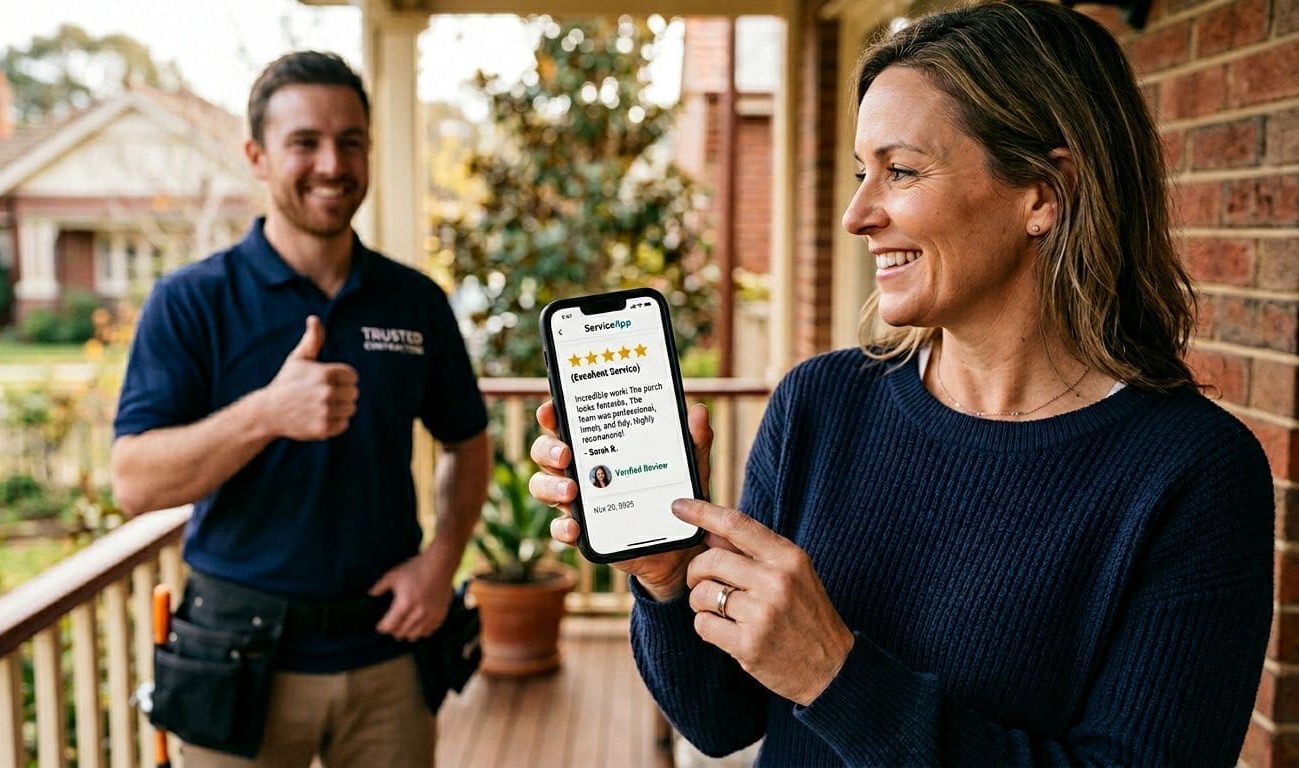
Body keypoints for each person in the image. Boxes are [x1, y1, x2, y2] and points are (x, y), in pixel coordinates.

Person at [529, 1, 1273, 764]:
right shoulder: (820, 405)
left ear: (1043, 195)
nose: (858, 214)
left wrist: (837, 675)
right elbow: (723, 720)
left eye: (901, 171)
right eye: (861, 173)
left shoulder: (1195, 475)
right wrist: (664, 578)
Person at [111, 50, 491, 767]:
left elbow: (467, 442)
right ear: (256, 156)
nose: (331, 163)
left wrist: (441, 563)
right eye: (305, 143)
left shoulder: (415, 301)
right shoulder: (192, 301)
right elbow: (134, 481)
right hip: (239, 662)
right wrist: (266, 413)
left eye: (350, 142)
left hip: (389, 658)